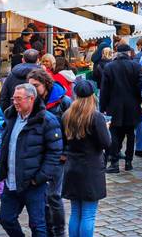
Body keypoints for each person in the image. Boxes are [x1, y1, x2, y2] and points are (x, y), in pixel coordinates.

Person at [0, 83, 64, 237]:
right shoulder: (11, 116)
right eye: (14, 98)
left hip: (33, 184)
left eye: (19, 99)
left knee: (37, 225)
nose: (15, 102)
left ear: (31, 99)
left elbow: (54, 153)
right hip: (11, 181)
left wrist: (39, 178)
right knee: (6, 219)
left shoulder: (47, 120)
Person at [60, 79, 110, 237]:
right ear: (92, 96)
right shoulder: (96, 117)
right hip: (91, 167)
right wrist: (106, 129)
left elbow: (64, 141)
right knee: (88, 214)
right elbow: (106, 142)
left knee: (76, 211)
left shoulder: (67, 115)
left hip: (72, 166)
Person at [27, 70, 71, 237]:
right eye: (30, 86)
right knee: (41, 197)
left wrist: (65, 152)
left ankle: (59, 232)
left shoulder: (64, 102)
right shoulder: (32, 102)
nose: (32, 89)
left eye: (36, 85)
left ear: (45, 84)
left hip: (57, 155)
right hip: (38, 155)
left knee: (53, 195)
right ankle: (46, 230)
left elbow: (71, 129)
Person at [99, 44, 141, 175]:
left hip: (114, 105)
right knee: (130, 133)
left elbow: (104, 89)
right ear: (128, 52)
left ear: (117, 53)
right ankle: (129, 162)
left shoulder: (109, 67)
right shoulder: (136, 66)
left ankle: (115, 162)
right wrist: (139, 101)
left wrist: (103, 107)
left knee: (115, 134)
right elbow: (140, 87)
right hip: (132, 104)